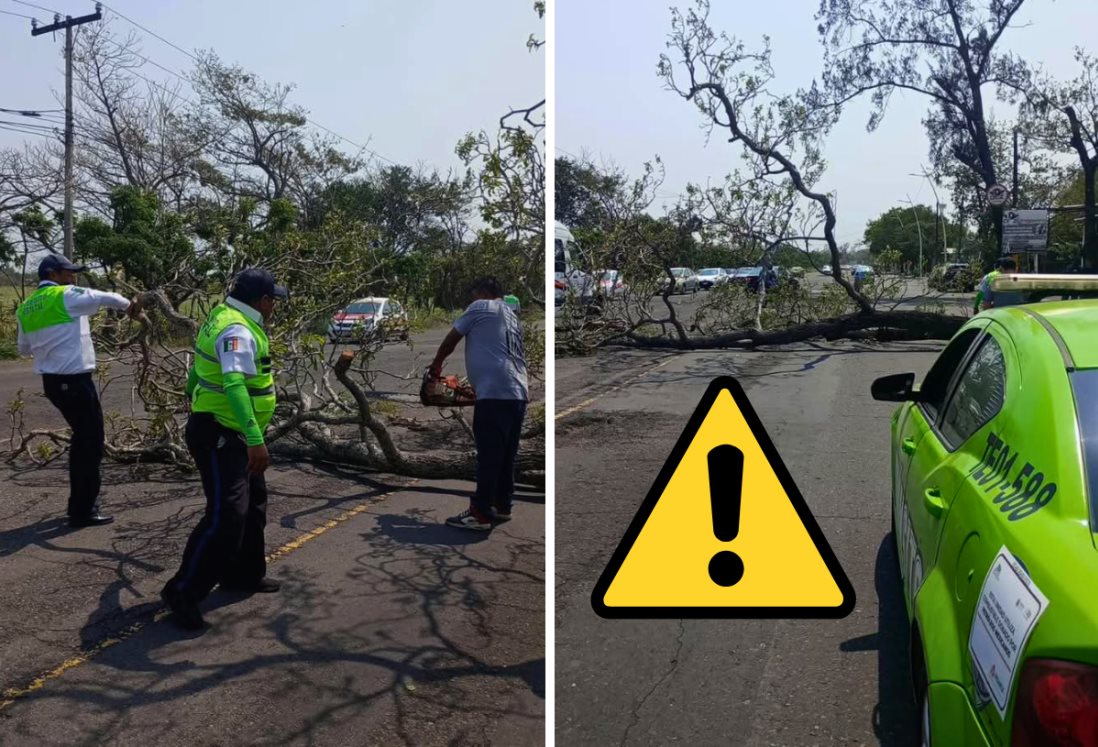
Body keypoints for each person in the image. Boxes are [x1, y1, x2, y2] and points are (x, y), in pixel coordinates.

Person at [161, 268, 288, 630]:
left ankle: (243, 574)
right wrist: (254, 438)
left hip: (228, 430)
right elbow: (233, 383)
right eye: (274, 300)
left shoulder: (220, 315)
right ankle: (182, 591)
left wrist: (191, 394)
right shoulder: (238, 329)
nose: (275, 306)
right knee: (227, 515)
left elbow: (199, 366)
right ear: (263, 302)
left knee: (253, 505)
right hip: (224, 434)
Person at [15, 255, 141, 528]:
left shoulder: (26, 307)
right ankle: (83, 510)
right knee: (90, 442)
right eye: (68, 272)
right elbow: (107, 296)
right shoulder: (65, 295)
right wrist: (131, 307)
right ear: (53, 274)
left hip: (52, 382)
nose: (73, 277)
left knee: (83, 440)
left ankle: (79, 506)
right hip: (74, 381)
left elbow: (23, 348)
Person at [429, 276, 529, 531]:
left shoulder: (481, 307)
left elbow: (452, 339)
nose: (471, 301)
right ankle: (501, 505)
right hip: (517, 391)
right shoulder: (511, 315)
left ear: (483, 292)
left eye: (474, 294)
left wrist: (436, 366)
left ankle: (480, 513)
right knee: (506, 454)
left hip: (496, 392)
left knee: (489, 455)